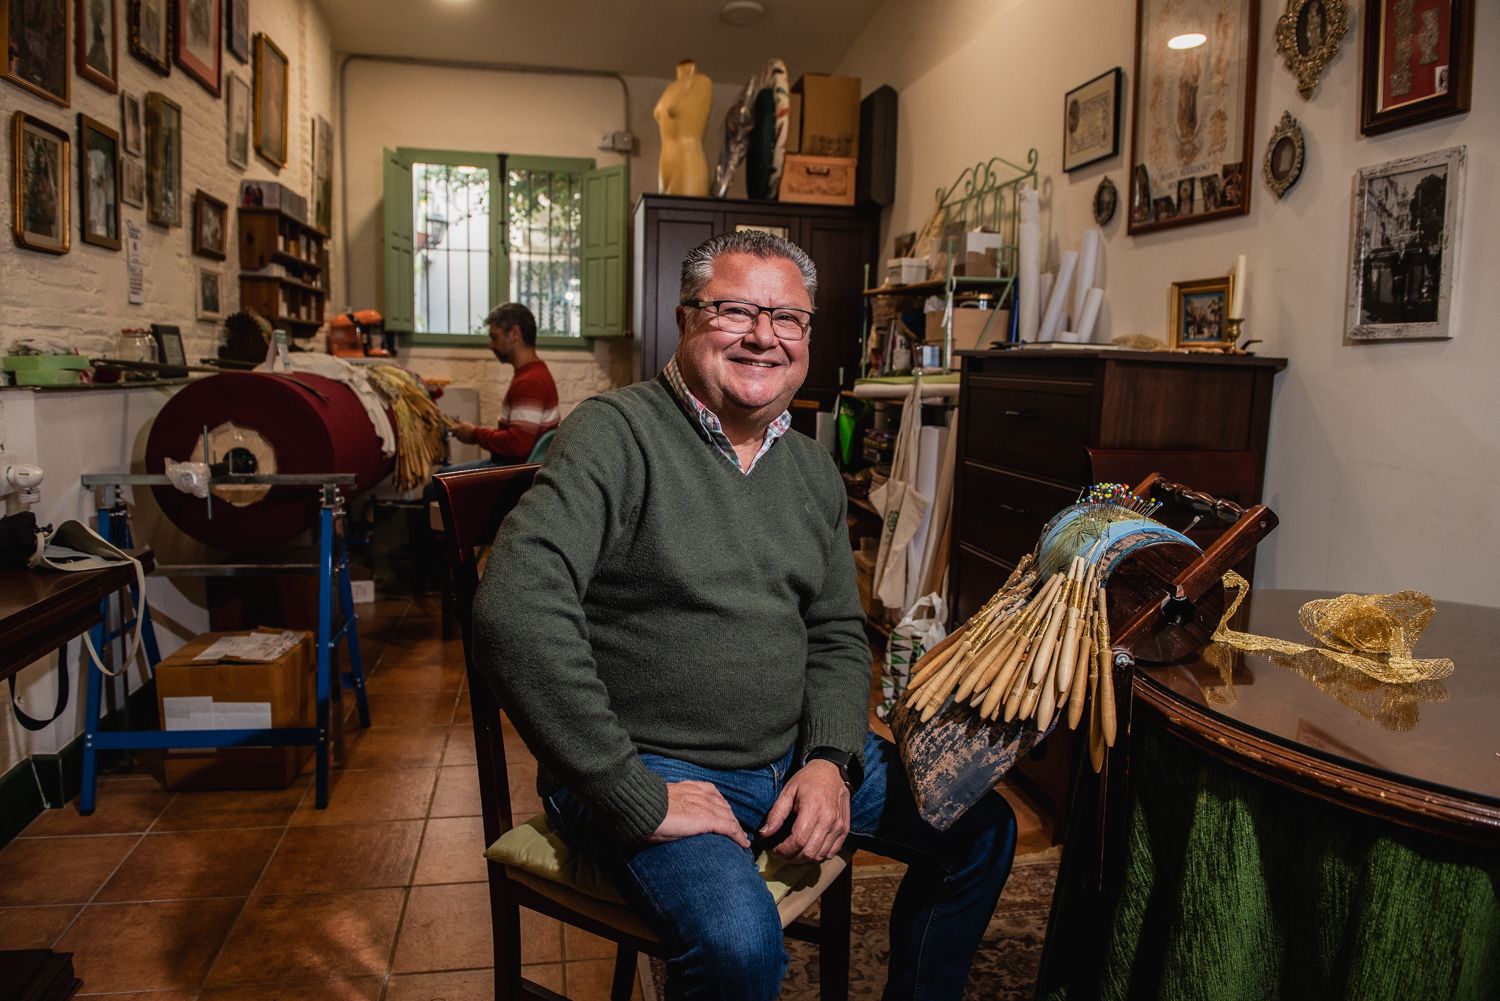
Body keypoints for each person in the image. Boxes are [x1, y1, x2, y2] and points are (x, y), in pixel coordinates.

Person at [475, 231, 1017, 999]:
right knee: (739, 944)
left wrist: (829, 759)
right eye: (735, 310)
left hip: (789, 752)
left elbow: (836, 632)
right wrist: (632, 790)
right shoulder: (613, 434)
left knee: (981, 830)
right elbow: (513, 608)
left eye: (787, 317)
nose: (764, 336)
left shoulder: (811, 467)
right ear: (684, 318)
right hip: (650, 762)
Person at [447, 303, 559, 467]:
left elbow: (517, 444)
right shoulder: (534, 373)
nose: (490, 345)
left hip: (513, 473)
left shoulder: (530, 382)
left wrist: (475, 434)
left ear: (514, 334)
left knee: (438, 480)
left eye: (494, 337)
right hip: (513, 467)